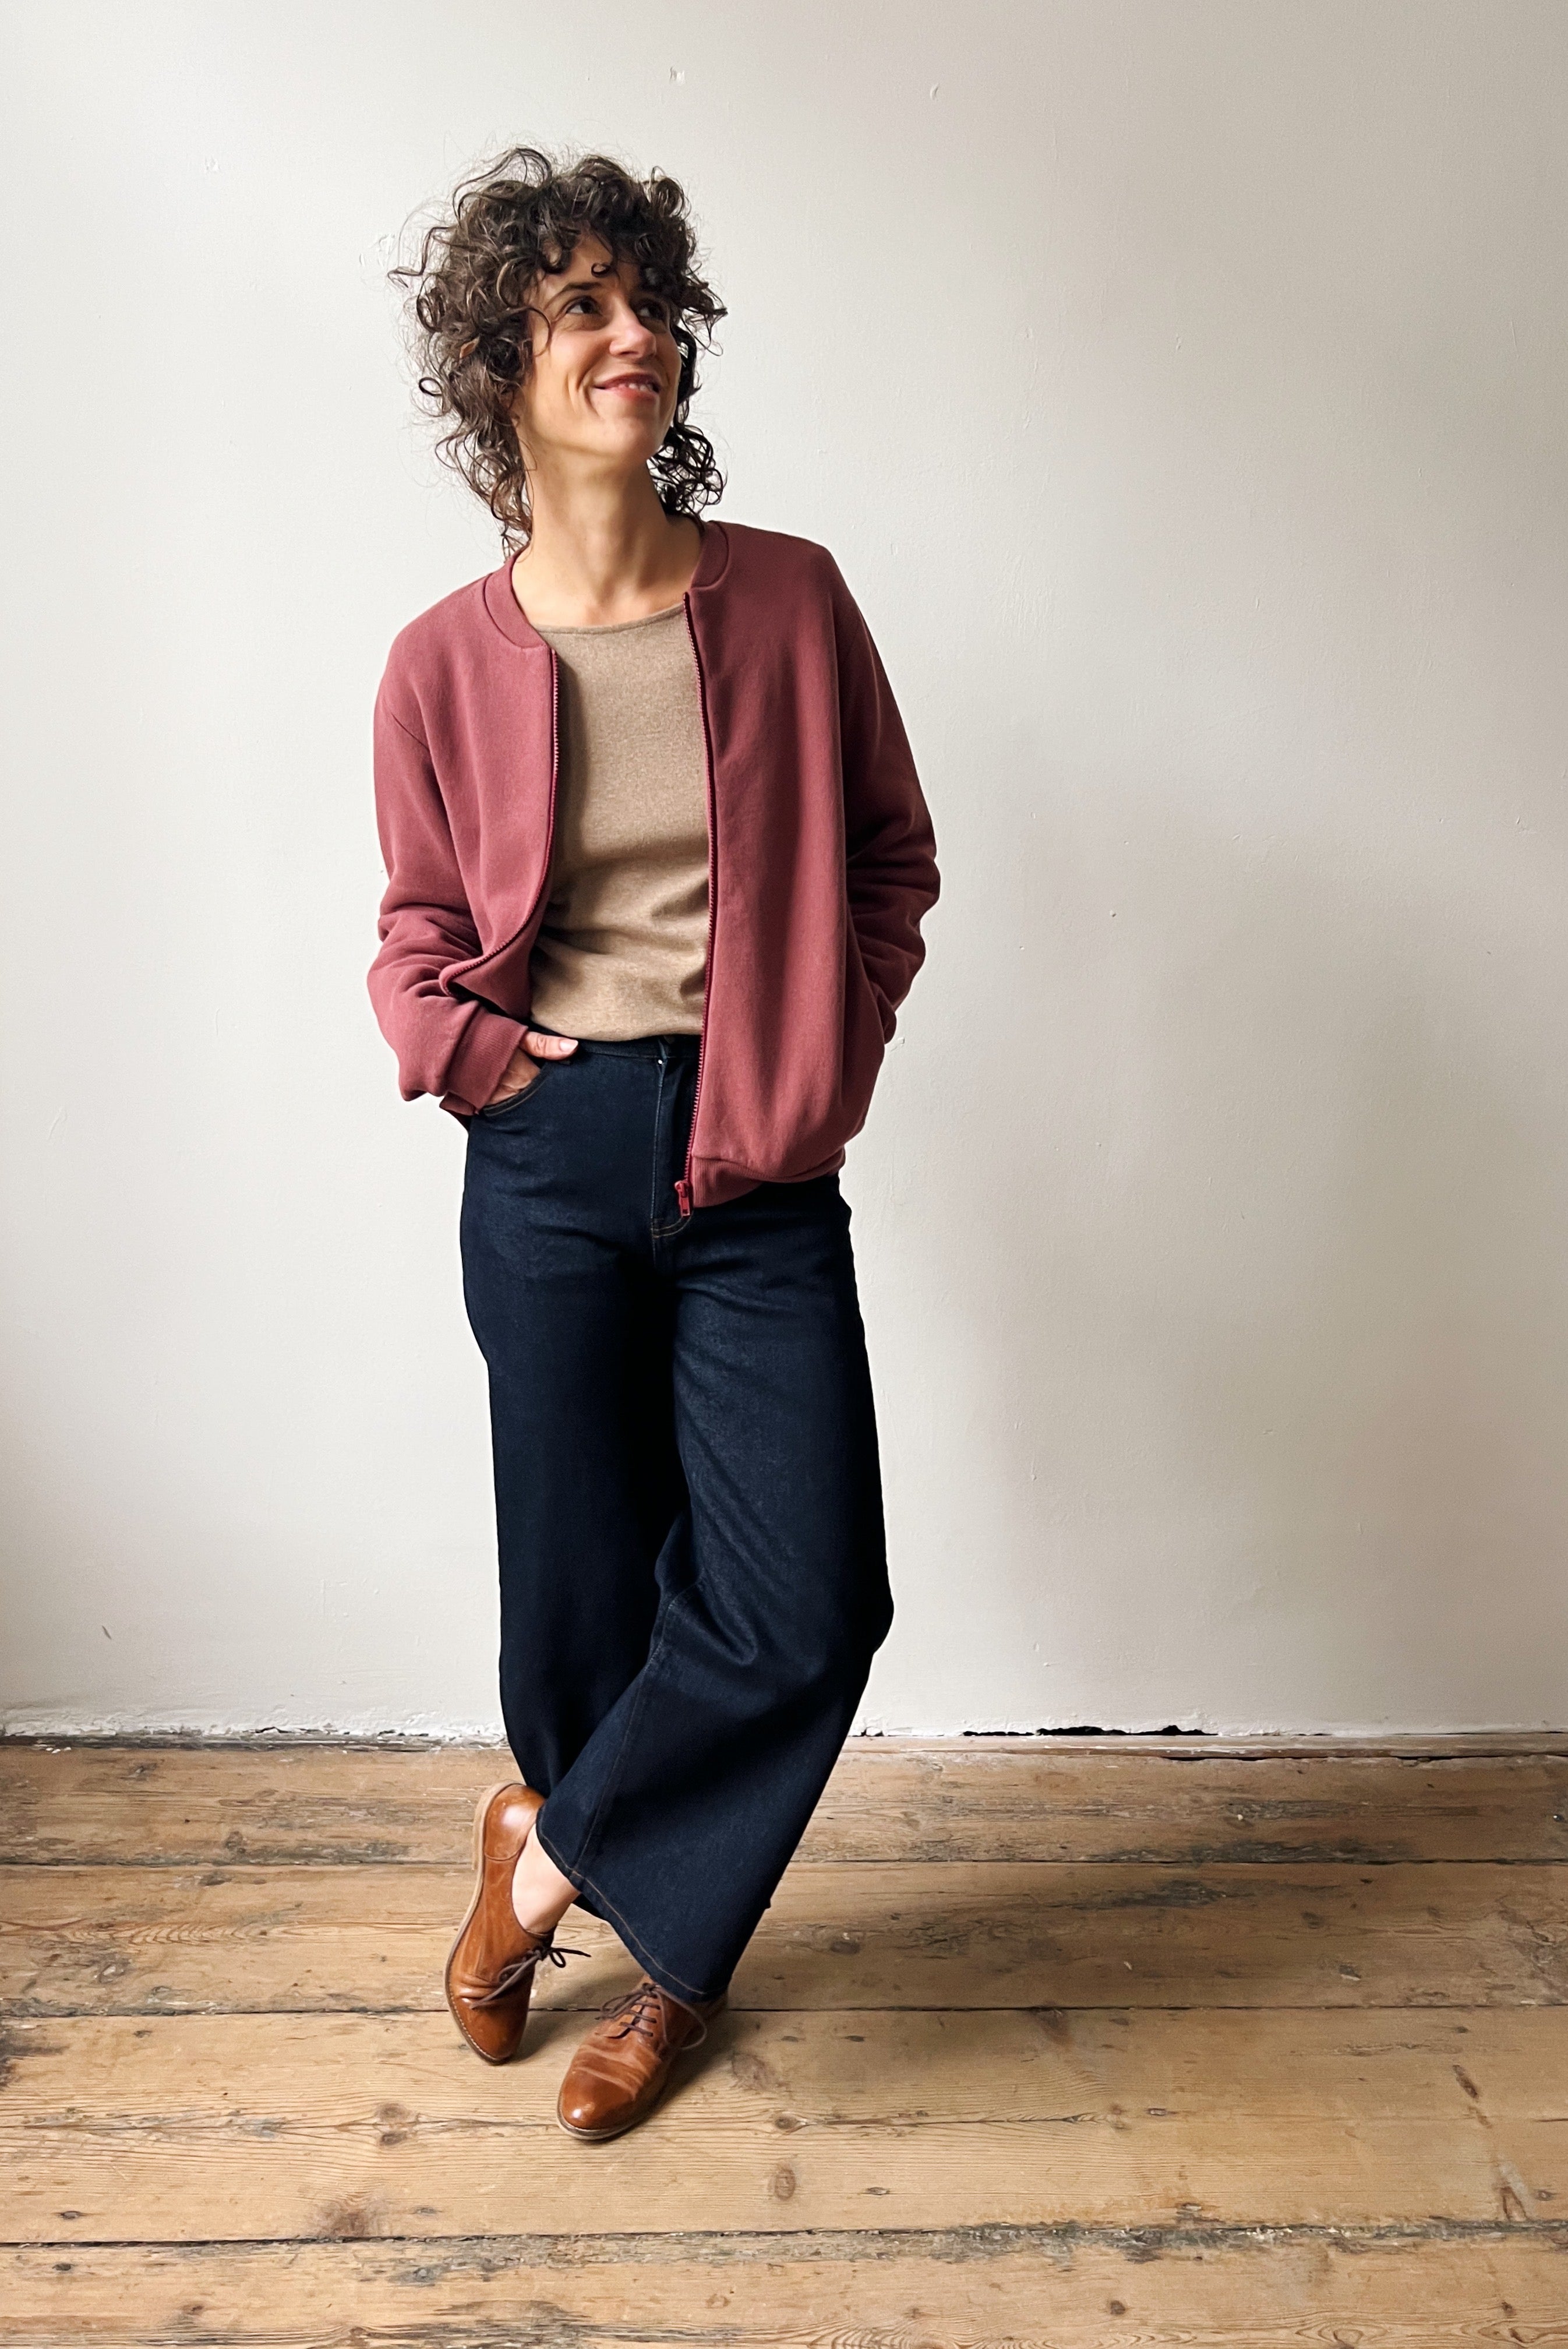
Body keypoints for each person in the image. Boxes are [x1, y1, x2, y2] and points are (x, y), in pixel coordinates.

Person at [369, 147, 939, 2143]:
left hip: (754, 1151)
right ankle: (677, 1968)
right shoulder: (438, 660)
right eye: (583, 309)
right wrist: (477, 1058)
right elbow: (415, 930)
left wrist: (824, 1052)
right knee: (581, 1595)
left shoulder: (788, 600)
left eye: (650, 304)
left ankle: (542, 1866)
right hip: (546, 1153)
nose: (637, 338)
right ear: (503, 369)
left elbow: (888, 860)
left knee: (808, 1595)